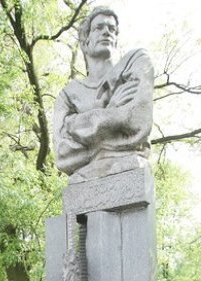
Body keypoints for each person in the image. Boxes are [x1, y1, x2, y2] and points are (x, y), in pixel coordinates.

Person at [53, 6, 154, 182]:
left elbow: (138, 121)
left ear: (116, 39)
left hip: (130, 173)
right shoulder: (67, 95)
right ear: (85, 40)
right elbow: (63, 155)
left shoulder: (137, 61)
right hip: (83, 183)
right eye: (99, 27)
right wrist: (114, 113)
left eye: (112, 29)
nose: (106, 32)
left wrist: (76, 125)